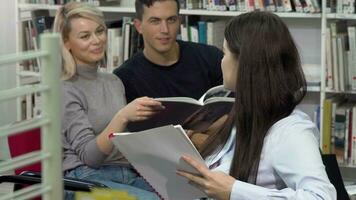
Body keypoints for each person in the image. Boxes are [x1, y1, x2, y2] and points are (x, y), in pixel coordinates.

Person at [177, 11, 337, 200]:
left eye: (225, 52)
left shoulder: (290, 130)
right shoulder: (246, 115)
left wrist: (234, 191)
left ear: (244, 63)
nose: (221, 61)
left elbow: (322, 197)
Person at [53, 2, 163, 199]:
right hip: (83, 179)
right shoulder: (65, 89)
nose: (97, 40)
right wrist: (122, 117)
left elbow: (123, 142)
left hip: (127, 173)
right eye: (85, 36)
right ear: (66, 43)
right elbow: (90, 157)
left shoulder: (113, 81)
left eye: (100, 31)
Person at [113, 0, 223, 103]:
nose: (165, 30)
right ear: (139, 26)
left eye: (171, 20)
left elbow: (234, 108)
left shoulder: (211, 58)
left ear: (179, 22)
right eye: (155, 21)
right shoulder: (125, 78)